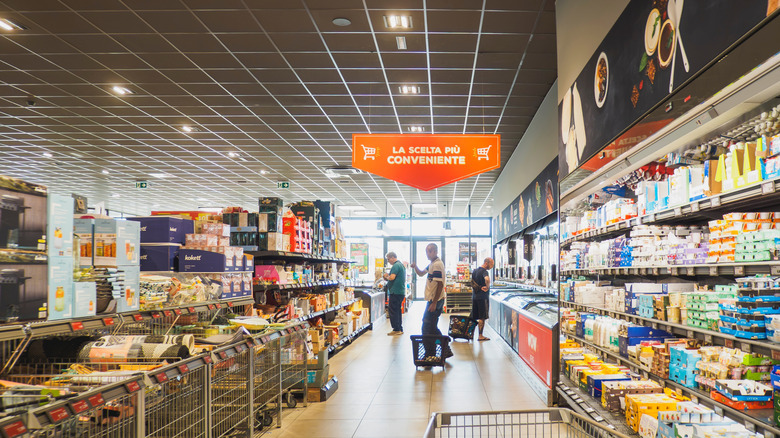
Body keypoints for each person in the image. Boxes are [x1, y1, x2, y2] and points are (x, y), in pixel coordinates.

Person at [411, 243, 453, 358]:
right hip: (434, 300)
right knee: (432, 327)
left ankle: (430, 352)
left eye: (429, 251)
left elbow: (440, 285)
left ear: (435, 251)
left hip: (435, 301)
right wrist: (415, 267)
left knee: (426, 327)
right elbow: (420, 274)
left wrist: (434, 302)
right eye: (426, 251)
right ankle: (445, 349)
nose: (427, 254)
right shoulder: (432, 264)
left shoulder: (437, 265)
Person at [470, 257, 494, 341]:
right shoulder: (484, 271)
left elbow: (472, 281)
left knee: (474, 316)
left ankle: (470, 333)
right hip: (482, 297)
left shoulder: (475, 271)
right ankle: (480, 335)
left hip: (475, 296)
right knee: (482, 317)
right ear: (486, 263)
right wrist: (487, 287)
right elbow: (487, 279)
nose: (492, 266)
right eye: (491, 264)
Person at [383, 252, 406, 335]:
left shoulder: (396, 265)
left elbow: (392, 277)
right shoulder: (400, 265)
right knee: (397, 310)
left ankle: (396, 329)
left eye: (388, 259)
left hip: (395, 292)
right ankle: (399, 328)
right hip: (399, 292)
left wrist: (386, 276)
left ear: (392, 257)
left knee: (393, 311)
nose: (388, 261)